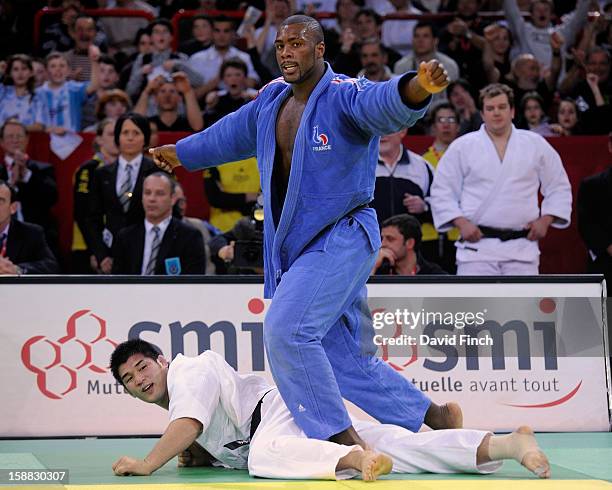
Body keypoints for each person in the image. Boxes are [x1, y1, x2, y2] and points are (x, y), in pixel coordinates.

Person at [149, 15, 462, 449]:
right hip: (299, 246)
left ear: (319, 51)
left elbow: (383, 102)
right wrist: (181, 152)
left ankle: (341, 442)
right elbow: (226, 135)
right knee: (344, 356)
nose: (286, 52)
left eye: (296, 44)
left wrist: (417, 88)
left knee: (287, 330)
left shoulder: (344, 96)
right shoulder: (270, 100)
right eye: (280, 45)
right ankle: (435, 415)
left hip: (343, 234)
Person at [109, 338, 552, 480]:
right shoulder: (186, 389)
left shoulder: (190, 369)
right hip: (288, 416)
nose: (140, 379)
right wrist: (201, 454)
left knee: (266, 458)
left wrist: (149, 464)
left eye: (143, 366)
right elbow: (208, 428)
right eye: (129, 380)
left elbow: (188, 422)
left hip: (278, 410)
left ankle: (352, 460)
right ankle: (507, 445)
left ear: (162, 360)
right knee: (393, 444)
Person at [430, 83, 572, 275]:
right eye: (490, 108)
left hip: (522, 247)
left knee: (521, 306)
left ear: (512, 111)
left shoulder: (535, 144)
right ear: (482, 114)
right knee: (476, 306)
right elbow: (441, 190)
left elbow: (558, 186)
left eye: (502, 107)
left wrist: (546, 220)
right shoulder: (462, 146)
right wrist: (460, 222)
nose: (496, 113)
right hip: (476, 249)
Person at [84, 113, 159, 274]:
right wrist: (101, 255)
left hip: (148, 250)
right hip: (111, 254)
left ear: (145, 139)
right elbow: (91, 218)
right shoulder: (101, 174)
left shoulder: (156, 171)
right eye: (125, 133)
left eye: (136, 133)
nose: (130, 138)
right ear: (118, 137)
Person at [112, 173, 206, 275]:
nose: (152, 199)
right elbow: (117, 281)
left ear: (173, 199)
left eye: (160, 193)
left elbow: (194, 283)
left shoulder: (190, 237)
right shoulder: (126, 237)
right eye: (147, 193)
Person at [0, 120, 58, 250]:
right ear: (2, 142)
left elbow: (52, 197)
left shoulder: (43, 169)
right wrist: (10, 184)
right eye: (10, 136)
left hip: (36, 237)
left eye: (19, 136)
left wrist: (26, 174)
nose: (15, 140)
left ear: (27, 139)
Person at [72, 118, 119, 273]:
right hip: (87, 246)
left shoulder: (126, 169)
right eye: (112, 134)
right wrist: (97, 252)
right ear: (99, 139)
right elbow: (82, 214)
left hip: (116, 244)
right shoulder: (88, 169)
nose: (117, 138)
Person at [577, 133, 612, 297]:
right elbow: (586, 223)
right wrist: (607, 246)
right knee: (606, 318)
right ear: (610, 147)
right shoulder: (592, 185)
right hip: (605, 264)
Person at [0, 180, 59, 275]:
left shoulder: (31, 233)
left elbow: (50, 266)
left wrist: (17, 269)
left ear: (13, 208)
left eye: (0, 201)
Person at [371, 214, 447, 275]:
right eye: (382, 239)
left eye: (390, 239)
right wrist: (372, 267)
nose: (382, 244)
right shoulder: (378, 271)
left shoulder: (433, 275)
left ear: (410, 243)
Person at [134, 72, 204, 132]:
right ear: (155, 98)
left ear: (179, 98)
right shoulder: (150, 124)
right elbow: (134, 126)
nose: (167, 96)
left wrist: (187, 92)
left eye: (172, 91)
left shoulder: (187, 122)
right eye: (163, 91)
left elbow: (197, 127)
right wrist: (146, 92)